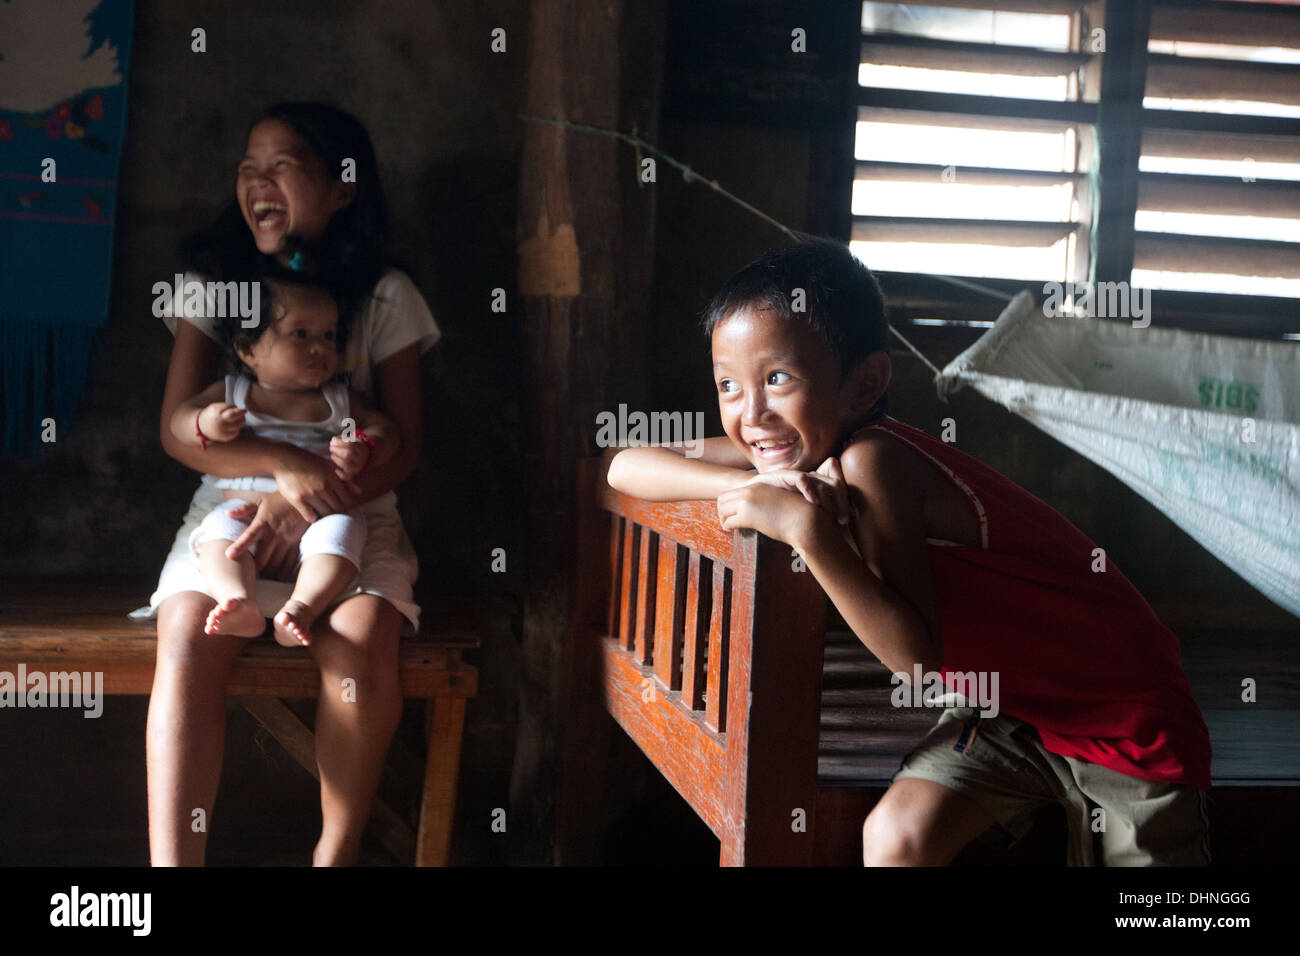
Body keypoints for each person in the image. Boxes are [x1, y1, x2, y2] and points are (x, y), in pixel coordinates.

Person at [607, 237, 1212, 867]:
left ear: (865, 382)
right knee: (894, 841)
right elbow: (622, 463)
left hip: (1124, 721)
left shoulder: (875, 458)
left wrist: (807, 531)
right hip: (1010, 715)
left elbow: (916, 663)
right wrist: (746, 486)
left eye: (778, 377)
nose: (751, 413)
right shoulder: (788, 451)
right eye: (728, 385)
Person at [146, 102, 439, 866]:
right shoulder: (215, 287)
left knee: (361, 636)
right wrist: (282, 472)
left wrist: (311, 496)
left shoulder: (386, 297)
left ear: (342, 187)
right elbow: (179, 432)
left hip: (353, 518)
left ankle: (333, 856)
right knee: (186, 634)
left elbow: (402, 448)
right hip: (231, 514)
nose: (257, 180)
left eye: (281, 163)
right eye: (249, 166)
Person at [170, 272, 399, 648]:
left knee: (345, 531)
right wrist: (205, 421)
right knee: (216, 535)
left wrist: (365, 446)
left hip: (319, 515)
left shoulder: (339, 400)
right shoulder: (233, 393)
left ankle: (302, 607)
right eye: (300, 335)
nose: (320, 348)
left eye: (328, 336)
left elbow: (388, 431)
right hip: (242, 514)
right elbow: (177, 422)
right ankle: (237, 599)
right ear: (248, 350)